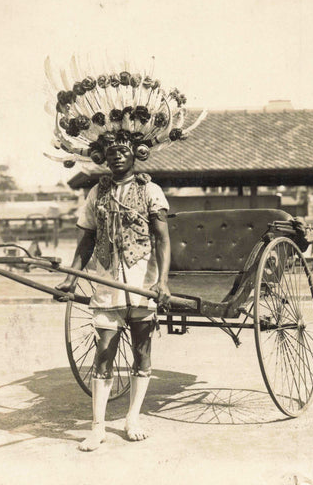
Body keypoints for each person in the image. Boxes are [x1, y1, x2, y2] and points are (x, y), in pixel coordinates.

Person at [43, 60, 206, 451]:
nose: (117, 156)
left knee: (143, 348)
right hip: (106, 280)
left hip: (142, 279)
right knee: (104, 350)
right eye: (111, 151)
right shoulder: (95, 193)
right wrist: (72, 276)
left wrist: (163, 281)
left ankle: (132, 416)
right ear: (103, 156)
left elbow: (163, 240)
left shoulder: (151, 191)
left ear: (137, 152)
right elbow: (85, 240)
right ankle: (98, 425)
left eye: (124, 150)